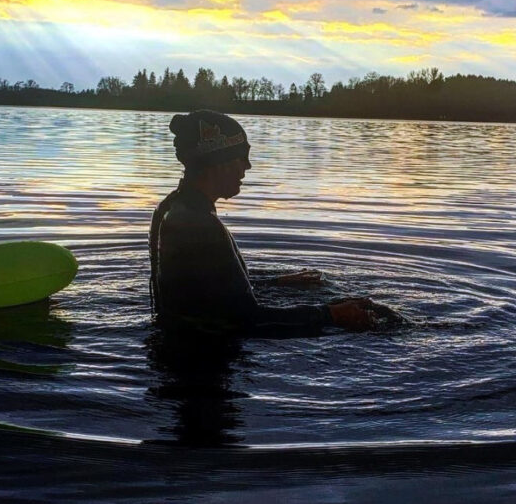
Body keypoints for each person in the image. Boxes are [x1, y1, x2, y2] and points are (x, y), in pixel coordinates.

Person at [149, 109, 394, 336]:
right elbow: (248, 320)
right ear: (219, 162)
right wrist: (329, 315)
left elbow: (205, 291)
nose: (247, 166)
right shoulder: (199, 225)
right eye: (241, 157)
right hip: (201, 369)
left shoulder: (171, 208)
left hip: (178, 353)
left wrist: (275, 283)